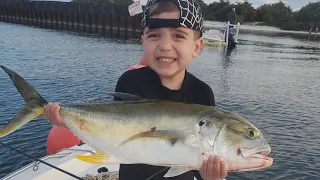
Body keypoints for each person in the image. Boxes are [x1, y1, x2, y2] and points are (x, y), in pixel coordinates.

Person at [44, 0, 228, 179]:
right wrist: (67, 120)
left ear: (197, 47)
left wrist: (209, 175)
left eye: (178, 36)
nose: (164, 46)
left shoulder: (202, 93)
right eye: (154, 35)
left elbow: (200, 158)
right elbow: (111, 133)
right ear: (143, 42)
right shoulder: (130, 81)